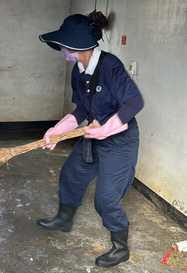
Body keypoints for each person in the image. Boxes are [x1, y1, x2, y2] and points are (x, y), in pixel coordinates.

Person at [37, 14, 144, 268]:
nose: (63, 51)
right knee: (71, 174)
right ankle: (64, 219)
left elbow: (135, 102)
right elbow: (83, 110)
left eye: (65, 46)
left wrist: (109, 128)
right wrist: (58, 130)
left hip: (119, 140)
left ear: (76, 45)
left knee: (105, 199)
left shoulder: (109, 66)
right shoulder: (79, 70)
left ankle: (120, 247)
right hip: (94, 135)